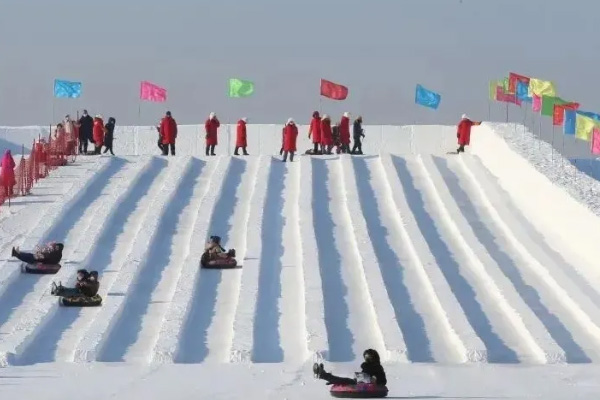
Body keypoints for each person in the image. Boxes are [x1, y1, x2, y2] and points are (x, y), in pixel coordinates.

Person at [313, 349, 387, 386]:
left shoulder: (373, 366)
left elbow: (380, 380)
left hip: (363, 385)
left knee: (344, 380)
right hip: (362, 383)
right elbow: (364, 376)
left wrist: (373, 380)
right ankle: (324, 374)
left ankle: (323, 375)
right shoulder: (375, 366)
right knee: (344, 380)